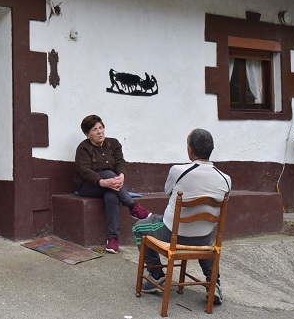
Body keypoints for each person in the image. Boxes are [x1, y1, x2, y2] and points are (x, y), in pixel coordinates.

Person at [131, 128, 232, 304]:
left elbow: (168, 192)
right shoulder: (226, 179)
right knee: (208, 242)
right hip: (203, 238)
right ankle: (213, 284)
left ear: (190, 150)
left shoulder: (178, 171)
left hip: (172, 234)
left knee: (139, 227)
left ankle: (157, 276)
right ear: (211, 150)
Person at [74, 114, 152, 254]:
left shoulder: (113, 143)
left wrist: (121, 176)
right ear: (87, 134)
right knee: (109, 174)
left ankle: (112, 239)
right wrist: (102, 182)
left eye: (101, 127)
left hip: (111, 185)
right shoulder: (83, 148)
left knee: (111, 196)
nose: (99, 132)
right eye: (94, 130)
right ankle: (132, 206)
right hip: (88, 186)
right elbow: (85, 171)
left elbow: (120, 162)